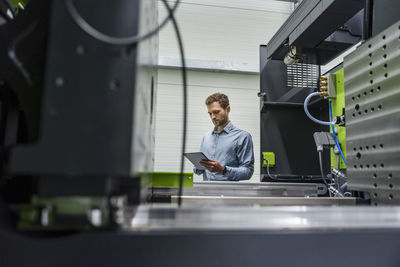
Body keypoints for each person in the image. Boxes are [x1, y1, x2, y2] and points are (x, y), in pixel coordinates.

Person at [194, 93, 254, 181]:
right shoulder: (206, 137)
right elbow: (198, 171)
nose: (213, 117)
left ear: (228, 109)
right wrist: (199, 166)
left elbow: (248, 171)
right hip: (207, 191)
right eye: (210, 114)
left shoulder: (242, 137)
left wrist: (223, 170)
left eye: (216, 112)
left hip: (228, 193)